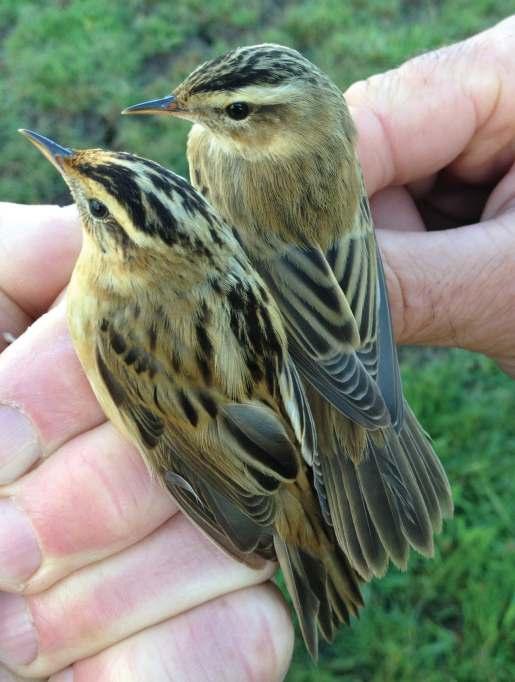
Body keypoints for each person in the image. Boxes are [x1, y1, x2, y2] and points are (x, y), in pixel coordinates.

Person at [0, 16, 514, 681]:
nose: (181, 116)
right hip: (334, 318)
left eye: (232, 112)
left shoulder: (226, 167)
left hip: (299, 330)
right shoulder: (308, 139)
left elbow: (253, 293)